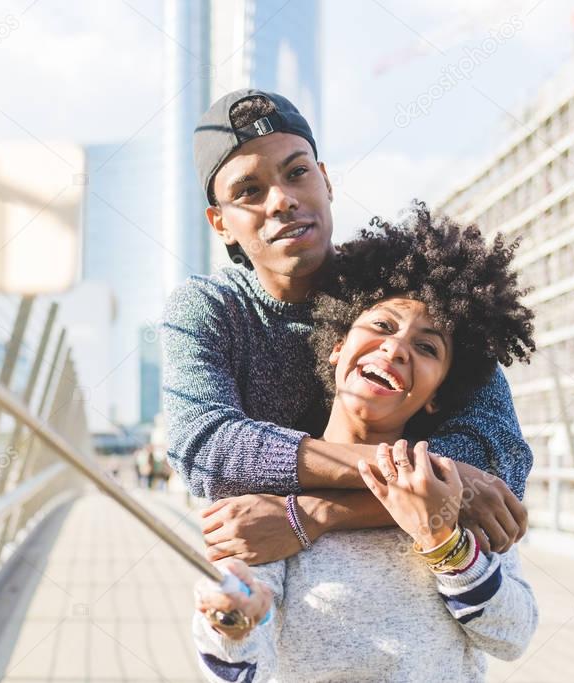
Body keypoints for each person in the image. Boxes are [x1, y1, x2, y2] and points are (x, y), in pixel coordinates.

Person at [162, 89, 531, 563]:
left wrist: (314, 515)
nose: (281, 200)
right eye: (248, 192)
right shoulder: (211, 309)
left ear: (326, 181)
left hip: (419, 584)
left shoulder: (402, 288)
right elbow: (207, 450)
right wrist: (443, 479)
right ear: (221, 224)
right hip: (273, 592)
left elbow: (500, 457)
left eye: (297, 172)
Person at [192, 205, 538, 681]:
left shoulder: (456, 498)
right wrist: (232, 623)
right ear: (336, 344)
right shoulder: (264, 500)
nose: (396, 349)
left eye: (427, 347)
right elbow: (239, 670)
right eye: (382, 326)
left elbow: (513, 636)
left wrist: (444, 544)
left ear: (438, 396)